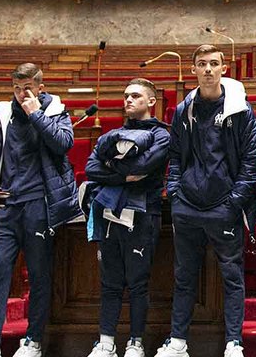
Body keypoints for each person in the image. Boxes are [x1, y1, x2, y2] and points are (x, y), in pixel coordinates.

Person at [0, 63, 81, 357]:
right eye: (17, 89)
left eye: (28, 88)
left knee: (40, 274)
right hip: (5, 204)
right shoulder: (2, 115)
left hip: (38, 205)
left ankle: (33, 340)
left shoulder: (56, 111)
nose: (21, 94)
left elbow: (63, 144)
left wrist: (36, 114)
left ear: (41, 87)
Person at [157, 46, 256, 357]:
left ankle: (234, 343)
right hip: (187, 205)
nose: (207, 70)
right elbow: (175, 155)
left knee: (232, 276)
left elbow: (252, 161)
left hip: (224, 206)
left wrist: (234, 201)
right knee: (184, 276)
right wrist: (175, 190)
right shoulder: (183, 110)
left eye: (213, 64)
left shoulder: (241, 110)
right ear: (193, 70)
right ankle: (177, 342)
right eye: (201, 64)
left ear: (224, 69)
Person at [83, 78, 172, 357]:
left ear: (151, 101)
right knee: (109, 282)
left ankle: (136, 341)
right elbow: (91, 168)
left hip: (143, 212)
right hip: (110, 214)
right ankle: (106, 340)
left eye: (135, 95)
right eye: (125, 96)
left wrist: (113, 167)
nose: (128, 100)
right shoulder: (112, 135)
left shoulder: (162, 135)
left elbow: (145, 165)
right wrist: (124, 174)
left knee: (137, 282)